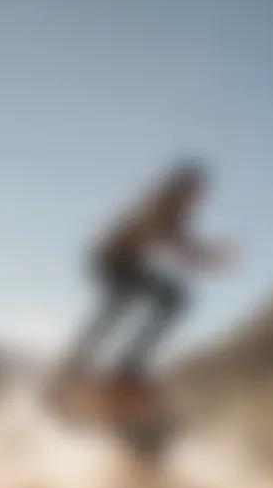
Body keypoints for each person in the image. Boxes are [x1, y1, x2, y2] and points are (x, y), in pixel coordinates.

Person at [61, 160, 235, 386]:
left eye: (197, 196)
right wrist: (208, 255)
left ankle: (124, 366)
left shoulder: (176, 214)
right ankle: (82, 364)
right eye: (192, 193)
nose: (195, 201)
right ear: (180, 186)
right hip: (108, 258)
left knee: (173, 299)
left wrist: (209, 256)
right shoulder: (157, 201)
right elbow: (165, 235)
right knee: (121, 302)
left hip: (130, 265)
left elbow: (183, 247)